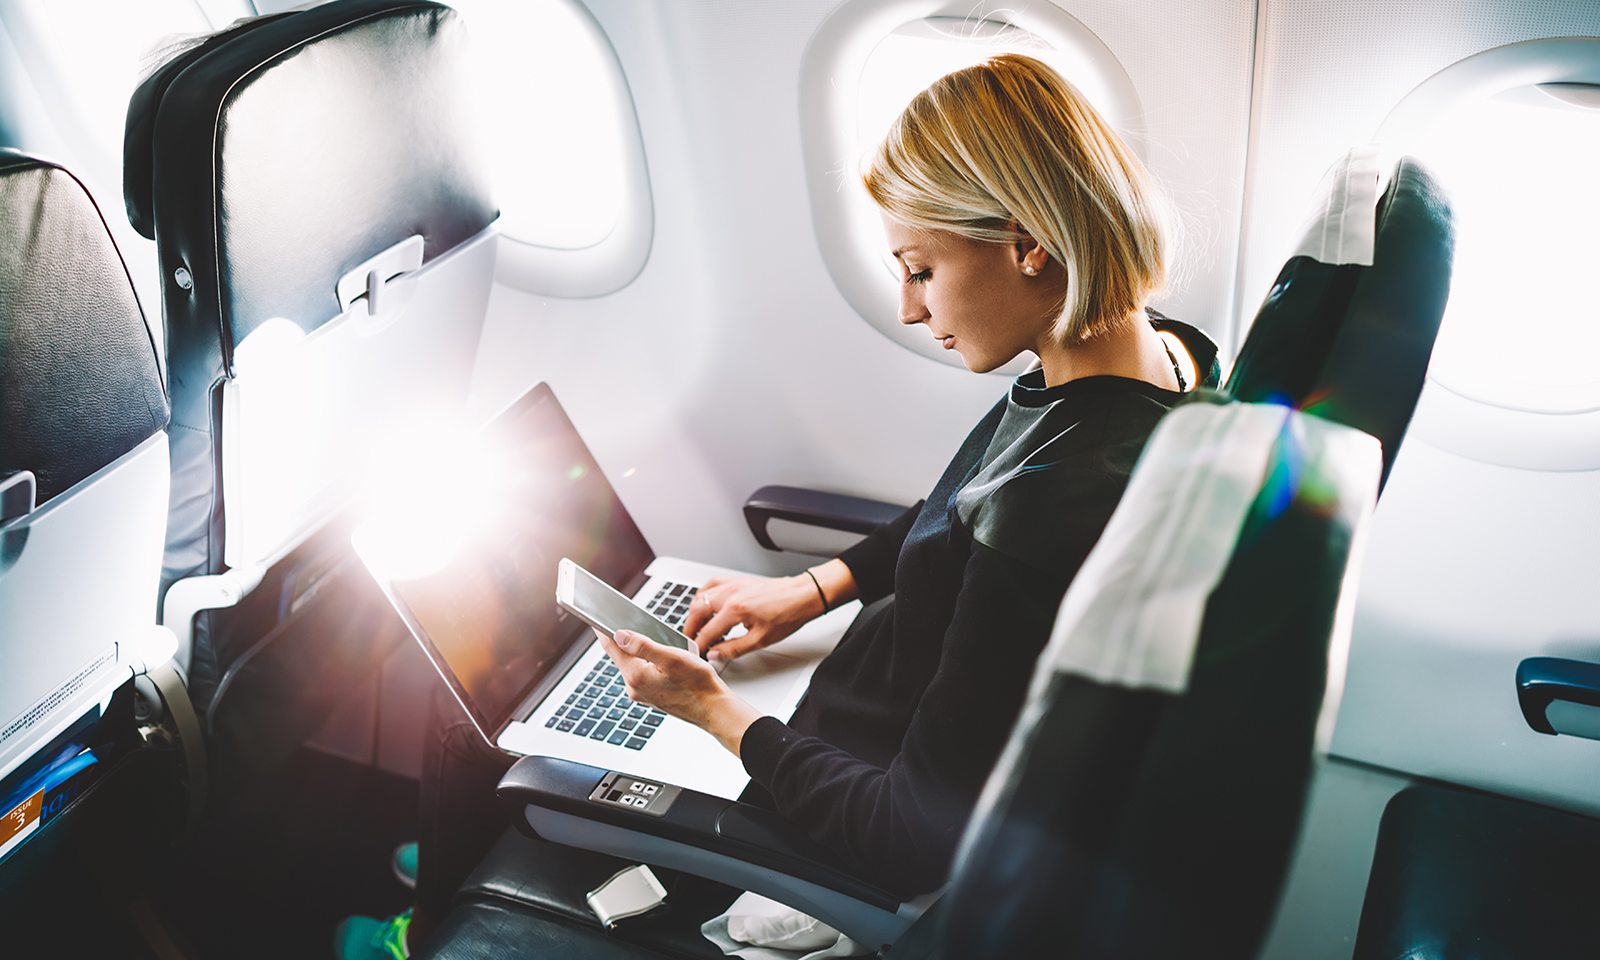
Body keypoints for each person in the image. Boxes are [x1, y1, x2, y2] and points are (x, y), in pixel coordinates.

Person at [336, 52, 1218, 959]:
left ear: (1029, 244)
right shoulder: (1162, 364)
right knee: (538, 681)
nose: (912, 310)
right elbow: (959, 508)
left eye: (920, 269)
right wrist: (809, 590)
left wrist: (710, 712)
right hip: (854, 689)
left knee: (489, 704)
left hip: (836, 775)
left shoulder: (1054, 512)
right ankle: (457, 860)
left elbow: (909, 837)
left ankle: (431, 922)